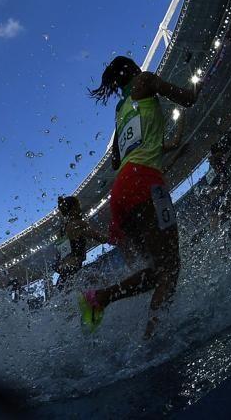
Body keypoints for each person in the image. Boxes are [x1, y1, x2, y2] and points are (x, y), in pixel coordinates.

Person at [79, 56, 198, 338]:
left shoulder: (120, 110)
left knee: (158, 270)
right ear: (134, 69)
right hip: (145, 184)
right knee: (169, 269)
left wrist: (167, 146)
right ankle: (146, 336)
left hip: (121, 190)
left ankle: (103, 300)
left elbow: (117, 161)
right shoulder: (145, 80)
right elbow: (189, 98)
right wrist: (197, 80)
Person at [53, 195, 107, 288]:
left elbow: (59, 257)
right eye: (78, 206)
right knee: (101, 283)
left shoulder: (61, 231)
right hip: (74, 272)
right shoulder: (78, 223)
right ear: (74, 208)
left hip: (63, 277)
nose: (80, 209)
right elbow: (100, 238)